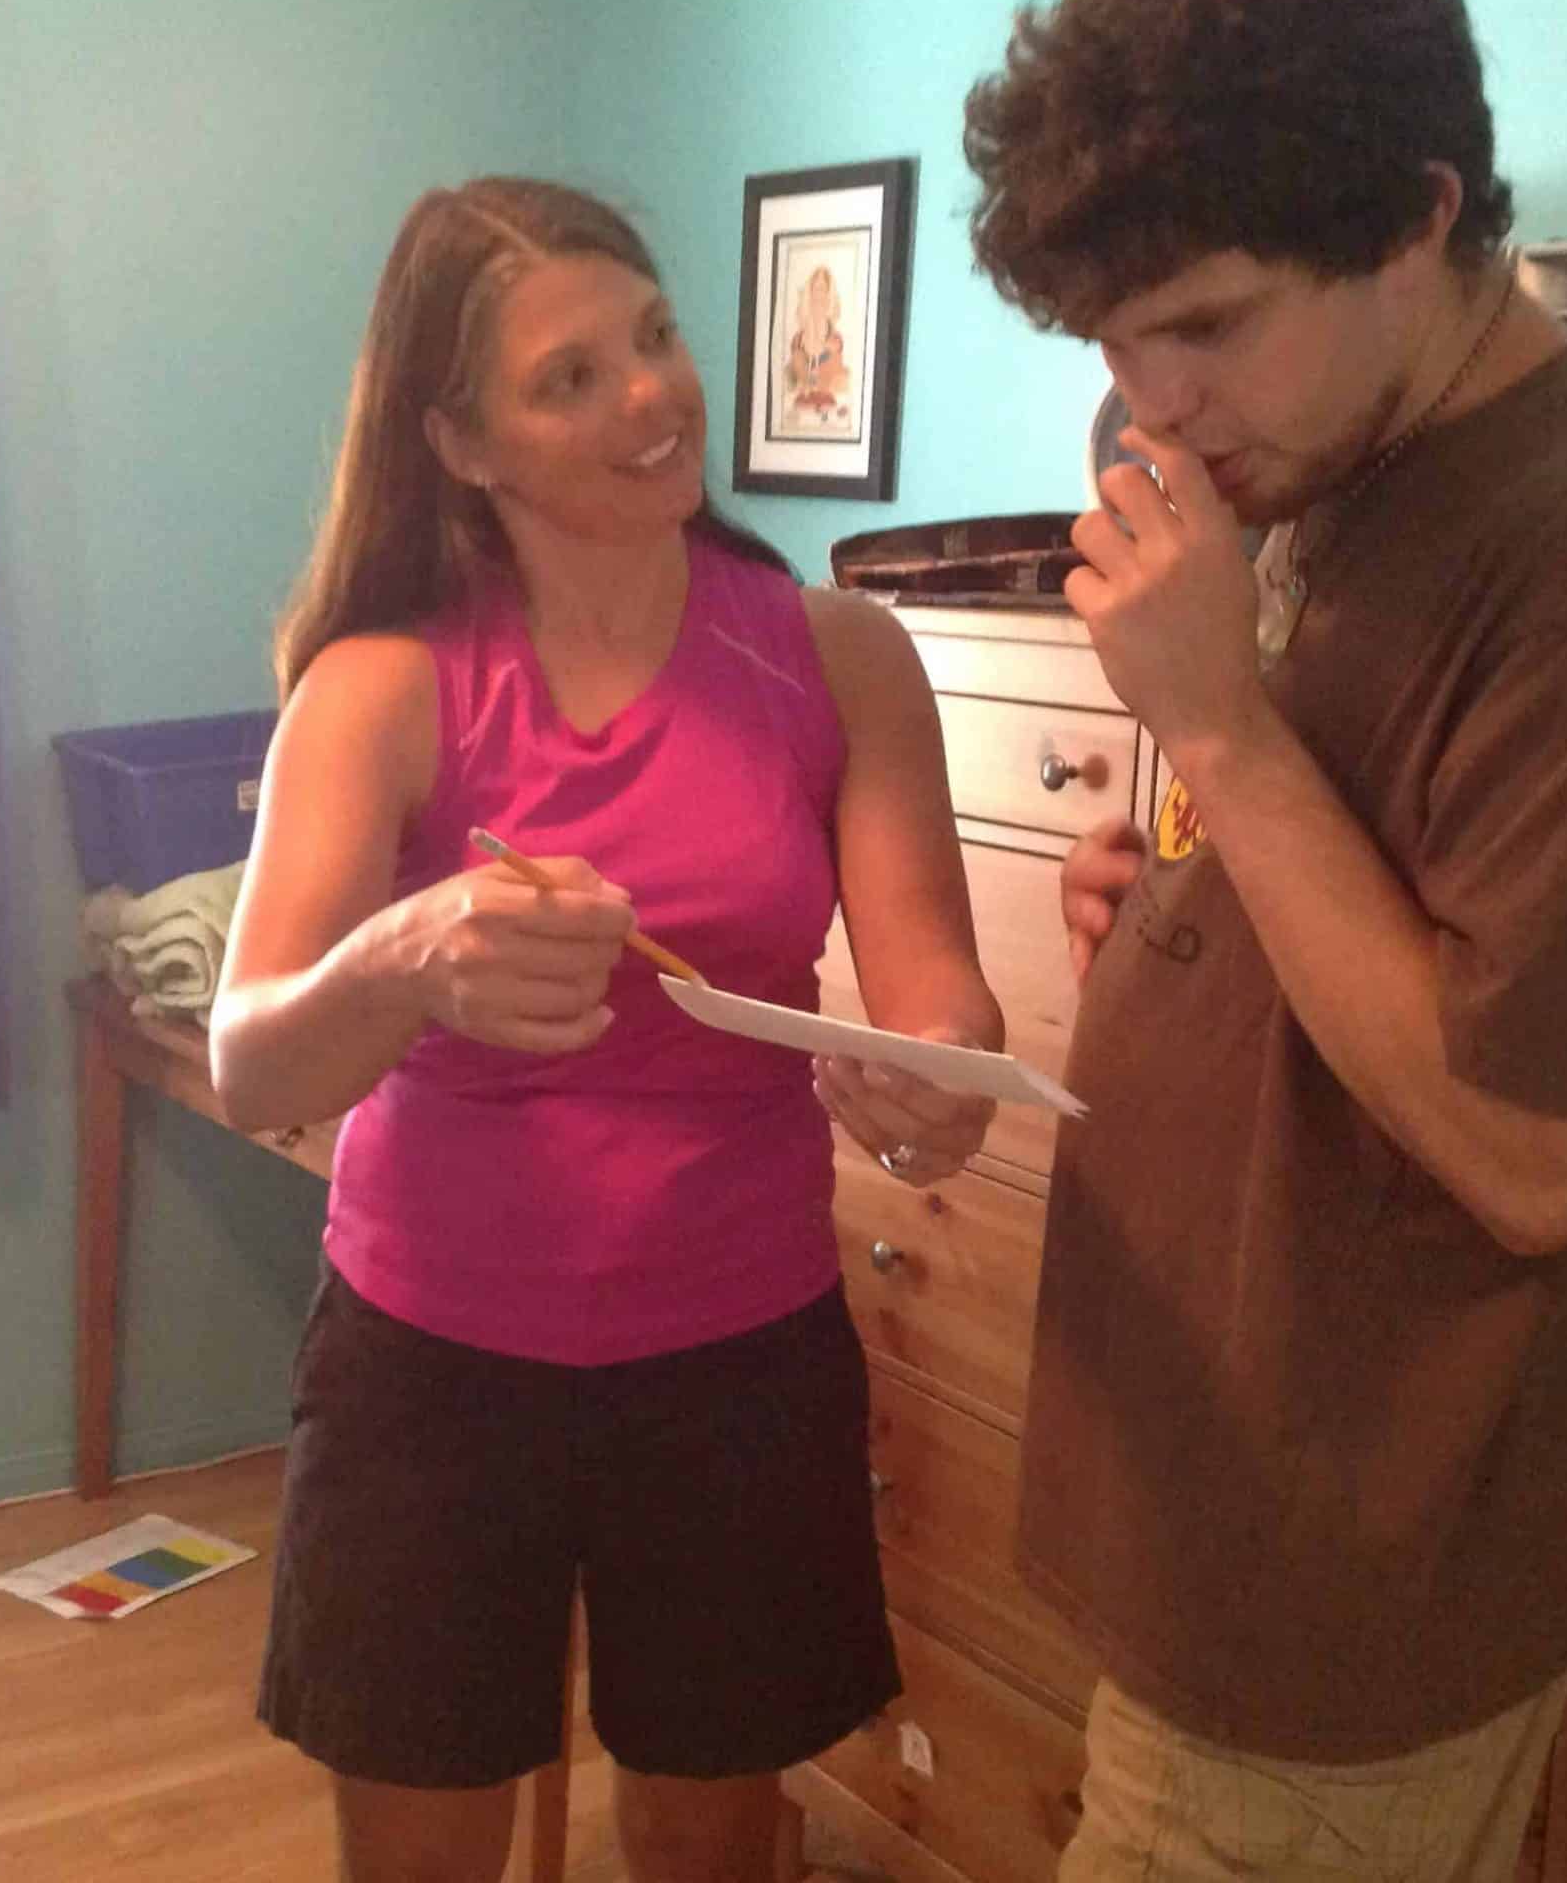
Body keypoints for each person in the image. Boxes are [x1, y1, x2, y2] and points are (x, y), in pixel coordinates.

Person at [959, 0, 1567, 1878]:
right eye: (1116, 340)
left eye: (1208, 326)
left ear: (1420, 215)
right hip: (1226, 1511)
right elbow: (1367, 870)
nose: (1154, 402)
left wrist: (1219, 732)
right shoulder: (1340, 461)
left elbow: (1537, 1150)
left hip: (1344, 1574)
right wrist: (1178, 897)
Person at [209, 176, 1004, 1883]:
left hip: (740, 1357)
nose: (650, 395)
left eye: (652, 339)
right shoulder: (382, 689)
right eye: (570, 378)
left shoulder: (838, 659)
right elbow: (251, 1059)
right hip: (433, 1362)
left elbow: (940, 986)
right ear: (463, 440)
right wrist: (407, 958)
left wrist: (931, 1076)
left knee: (712, 1849)